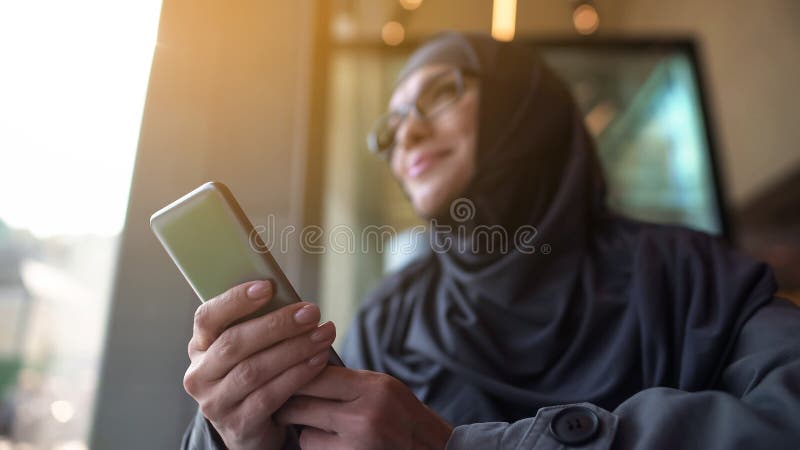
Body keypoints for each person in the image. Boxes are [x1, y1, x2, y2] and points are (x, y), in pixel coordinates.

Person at [180, 32, 800, 450]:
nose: (408, 136)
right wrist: (240, 434)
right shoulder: (392, 317)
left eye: (441, 94)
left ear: (521, 109)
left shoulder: (686, 273)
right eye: (389, 129)